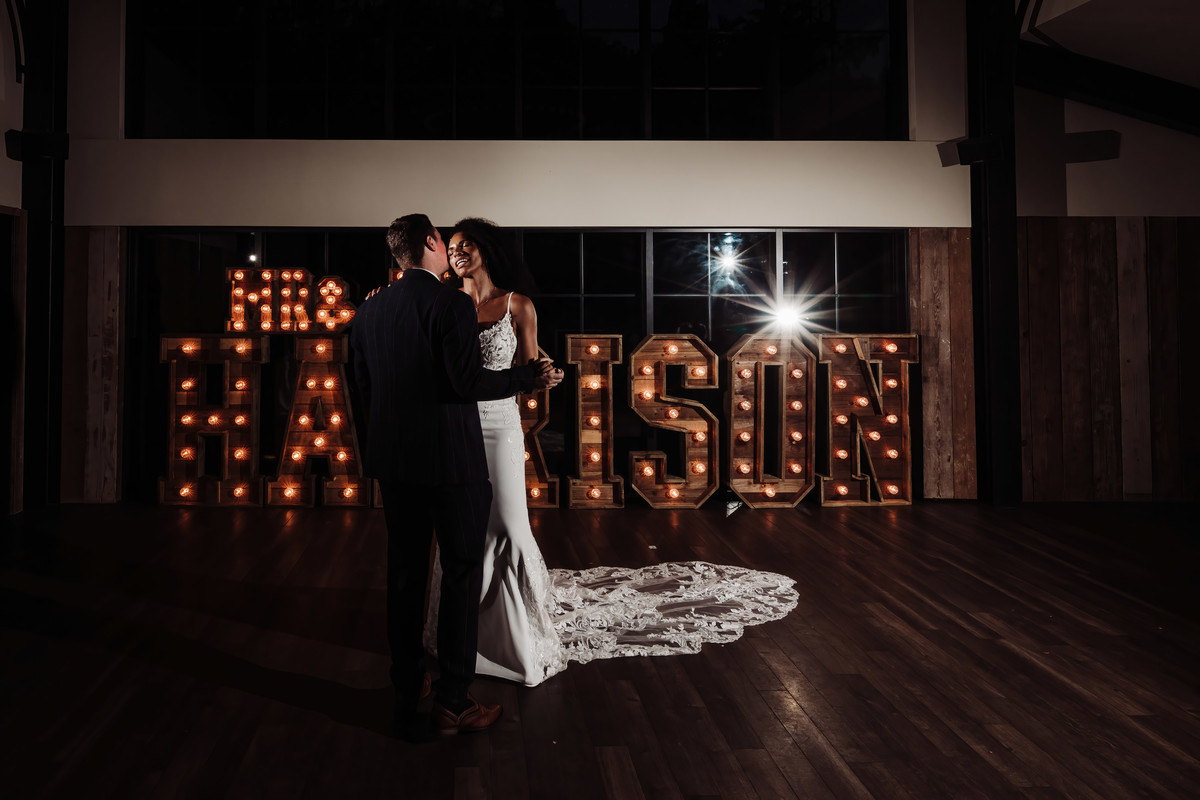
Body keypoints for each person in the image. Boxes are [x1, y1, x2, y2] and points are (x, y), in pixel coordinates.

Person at [425, 218, 799, 687]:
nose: (457, 253)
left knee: (506, 523)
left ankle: (515, 639)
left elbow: (529, 364)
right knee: (460, 527)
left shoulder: (517, 304)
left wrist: (547, 373)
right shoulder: (445, 303)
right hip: (454, 426)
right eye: (452, 247)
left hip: (499, 424)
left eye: (466, 245)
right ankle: (460, 633)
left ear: (486, 249)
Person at [350, 213, 563, 739]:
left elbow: (359, 387)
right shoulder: (450, 303)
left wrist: (373, 454)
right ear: (431, 242)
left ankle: (407, 685)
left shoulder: (370, 309)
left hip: (394, 466)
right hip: (451, 461)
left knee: (404, 574)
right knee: (462, 570)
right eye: (446, 241)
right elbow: (463, 381)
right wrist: (528, 376)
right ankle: (453, 700)